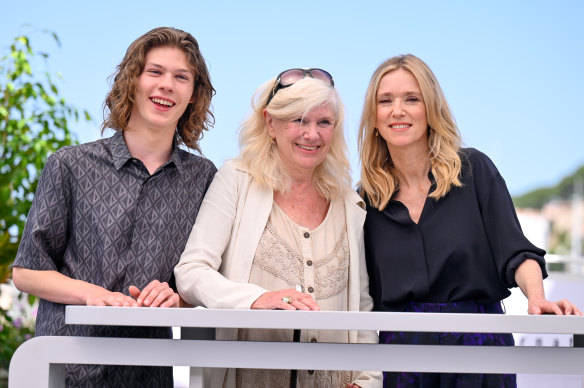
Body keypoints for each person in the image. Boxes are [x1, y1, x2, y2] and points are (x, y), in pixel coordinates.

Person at [357, 54, 582, 388]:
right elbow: (357, 292)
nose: (397, 110)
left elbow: (516, 252)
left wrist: (537, 298)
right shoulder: (365, 200)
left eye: (412, 99)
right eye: (385, 101)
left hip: (480, 350)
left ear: (431, 110)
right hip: (400, 359)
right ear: (373, 118)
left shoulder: (474, 170)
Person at [12, 27, 216, 388]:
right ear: (131, 81)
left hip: (150, 374)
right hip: (66, 368)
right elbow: (27, 272)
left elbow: (208, 281)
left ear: (193, 96)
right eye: (155, 72)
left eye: (181, 77)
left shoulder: (204, 178)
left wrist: (180, 300)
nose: (167, 84)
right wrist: (94, 293)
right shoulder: (70, 165)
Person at [175, 68, 382, 388]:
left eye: (323, 122)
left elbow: (362, 305)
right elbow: (191, 272)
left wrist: (367, 380)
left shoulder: (349, 204)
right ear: (271, 123)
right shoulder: (236, 179)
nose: (312, 134)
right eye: (298, 120)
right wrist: (255, 299)